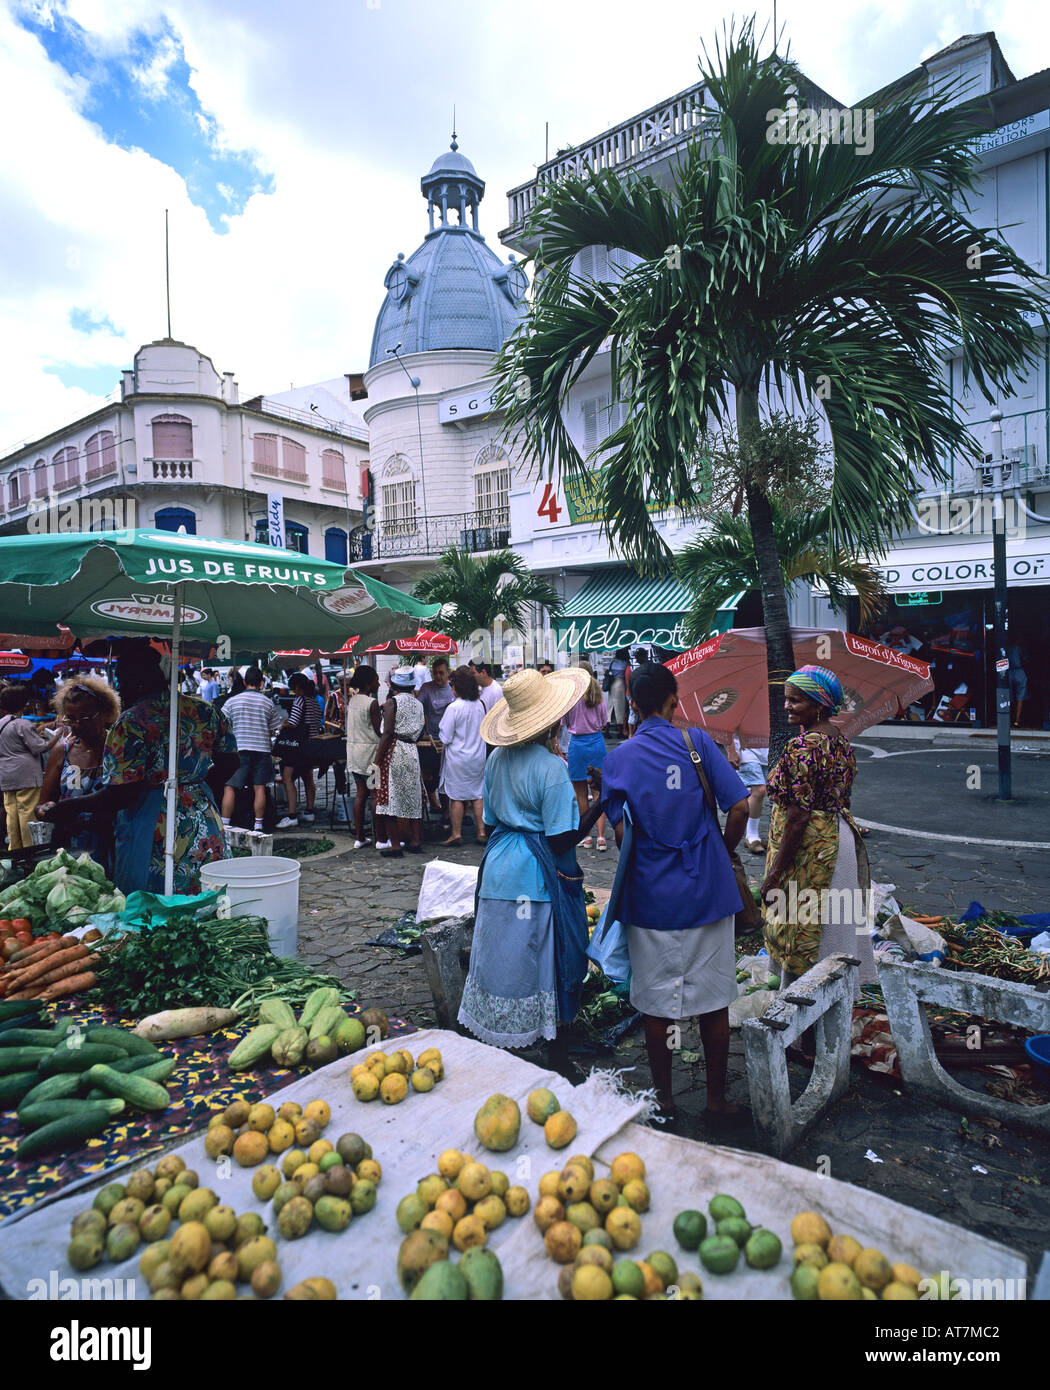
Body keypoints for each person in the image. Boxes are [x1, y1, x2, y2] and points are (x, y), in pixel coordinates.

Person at [599, 663, 750, 1127]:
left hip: (649, 897)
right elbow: (741, 806)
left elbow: (623, 835)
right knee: (713, 1001)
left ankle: (663, 1099)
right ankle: (716, 1101)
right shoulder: (697, 743)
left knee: (656, 1006)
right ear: (673, 701)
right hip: (707, 889)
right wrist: (719, 851)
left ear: (634, 704)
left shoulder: (618, 759)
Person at [458, 667, 602, 1067]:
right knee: (544, 958)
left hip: (499, 867)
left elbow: (489, 819)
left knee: (503, 957)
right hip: (535, 876)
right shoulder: (551, 768)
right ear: (553, 720)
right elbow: (560, 840)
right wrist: (600, 804)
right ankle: (553, 1047)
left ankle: (502, 1037)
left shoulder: (496, 759)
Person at [44, 642, 236, 894]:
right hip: (203, 817)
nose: (119, 689)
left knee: (152, 905)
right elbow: (232, 761)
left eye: (122, 680)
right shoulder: (206, 711)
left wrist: (70, 806)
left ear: (140, 680)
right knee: (205, 895)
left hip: (152, 824)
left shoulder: (131, 723)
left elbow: (123, 793)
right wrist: (194, 784)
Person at [760, 665, 877, 1051]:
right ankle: (828, 1028)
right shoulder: (838, 739)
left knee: (802, 935)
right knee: (829, 938)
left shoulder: (804, 746)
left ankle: (802, 1036)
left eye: (796, 700)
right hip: (838, 842)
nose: (787, 705)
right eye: (787, 697)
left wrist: (774, 874)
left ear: (819, 704)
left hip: (811, 852)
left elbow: (797, 817)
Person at [37, 677, 121, 868]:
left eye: (85, 717)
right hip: (70, 848)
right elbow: (41, 804)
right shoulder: (62, 751)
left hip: (114, 846)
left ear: (105, 713)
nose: (77, 725)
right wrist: (46, 809)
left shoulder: (119, 749)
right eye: (71, 719)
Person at [219, 667, 283, 833]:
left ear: (245, 682)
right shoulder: (267, 702)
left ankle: (225, 826)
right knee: (259, 787)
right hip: (262, 749)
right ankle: (258, 826)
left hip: (239, 750)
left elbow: (221, 723)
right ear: (262, 683)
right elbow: (275, 729)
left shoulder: (233, 701)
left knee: (230, 787)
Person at [0, 684, 63, 850]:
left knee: (12, 815)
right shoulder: (22, 724)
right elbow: (40, 747)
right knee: (27, 814)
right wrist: (57, 736)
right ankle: (29, 851)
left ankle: (15, 849)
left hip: (6, 775)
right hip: (26, 775)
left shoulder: (2, 723)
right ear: (23, 704)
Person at [373, 668, 424, 857]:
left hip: (395, 751)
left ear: (394, 685)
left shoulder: (391, 703)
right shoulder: (418, 704)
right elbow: (420, 731)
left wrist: (377, 761)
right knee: (414, 796)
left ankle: (395, 845)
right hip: (412, 750)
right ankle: (415, 841)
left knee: (388, 796)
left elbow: (386, 733)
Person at [437, 666, 487, 846]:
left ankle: (456, 833)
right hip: (478, 756)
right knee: (477, 794)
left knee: (456, 796)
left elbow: (446, 736)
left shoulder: (454, 707)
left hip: (458, 758)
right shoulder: (480, 705)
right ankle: (481, 830)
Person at [561, 661, 608, 851]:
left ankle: (586, 836)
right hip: (596, 742)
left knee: (580, 793)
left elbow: (565, 722)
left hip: (578, 745)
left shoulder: (571, 697)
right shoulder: (599, 696)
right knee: (599, 791)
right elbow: (604, 722)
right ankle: (602, 838)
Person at [275, 672, 323, 828]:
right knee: (308, 777)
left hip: (298, 747)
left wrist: (284, 724)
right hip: (312, 745)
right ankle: (309, 811)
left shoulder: (299, 700)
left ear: (296, 687)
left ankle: (292, 815)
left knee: (287, 777)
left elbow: (294, 722)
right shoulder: (314, 701)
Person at [345, 665, 382, 849]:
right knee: (375, 794)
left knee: (360, 794)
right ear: (369, 683)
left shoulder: (352, 701)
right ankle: (379, 838)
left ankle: (359, 837)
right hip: (371, 756)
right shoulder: (371, 703)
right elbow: (379, 730)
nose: (379, 683)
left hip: (354, 754)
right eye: (376, 680)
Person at [417, 657, 455, 822]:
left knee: (447, 778)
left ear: (448, 673)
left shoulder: (453, 689)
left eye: (441, 673)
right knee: (430, 776)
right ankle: (433, 803)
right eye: (435, 673)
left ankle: (448, 812)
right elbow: (417, 708)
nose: (438, 676)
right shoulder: (427, 688)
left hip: (450, 741)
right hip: (432, 739)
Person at [721, 729, 768, 854]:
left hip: (767, 749)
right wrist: (731, 751)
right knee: (759, 790)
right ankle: (752, 836)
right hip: (745, 750)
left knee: (760, 793)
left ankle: (752, 834)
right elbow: (730, 722)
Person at [606, 647, 630, 735]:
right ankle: (621, 731)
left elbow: (609, 672)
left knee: (610, 707)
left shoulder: (613, 662)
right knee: (620, 708)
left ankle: (607, 730)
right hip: (621, 685)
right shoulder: (625, 663)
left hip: (612, 684)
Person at [1007, 642, 1028, 728]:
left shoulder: (1005, 647)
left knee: (1008, 696)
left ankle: (1007, 718)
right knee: (1021, 696)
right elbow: (1025, 659)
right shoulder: (1019, 647)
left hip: (1008, 671)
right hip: (1019, 670)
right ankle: (1017, 720)